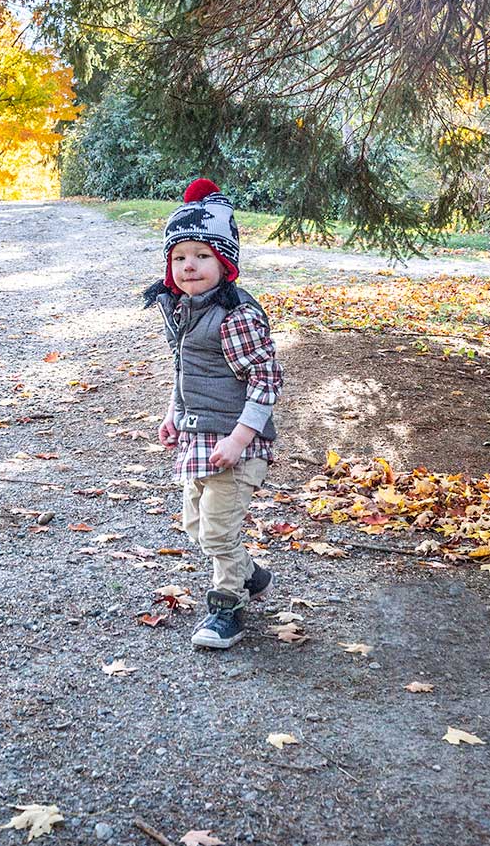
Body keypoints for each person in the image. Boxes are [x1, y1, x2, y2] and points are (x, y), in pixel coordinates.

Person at [147, 179, 284, 649]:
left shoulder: (235, 315)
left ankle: (227, 608)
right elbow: (185, 369)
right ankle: (252, 576)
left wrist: (241, 439)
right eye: (180, 256)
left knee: (219, 531)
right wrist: (172, 412)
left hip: (237, 442)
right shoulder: (180, 310)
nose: (190, 265)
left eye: (202, 256)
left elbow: (266, 379)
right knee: (196, 526)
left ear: (225, 264)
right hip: (197, 434)